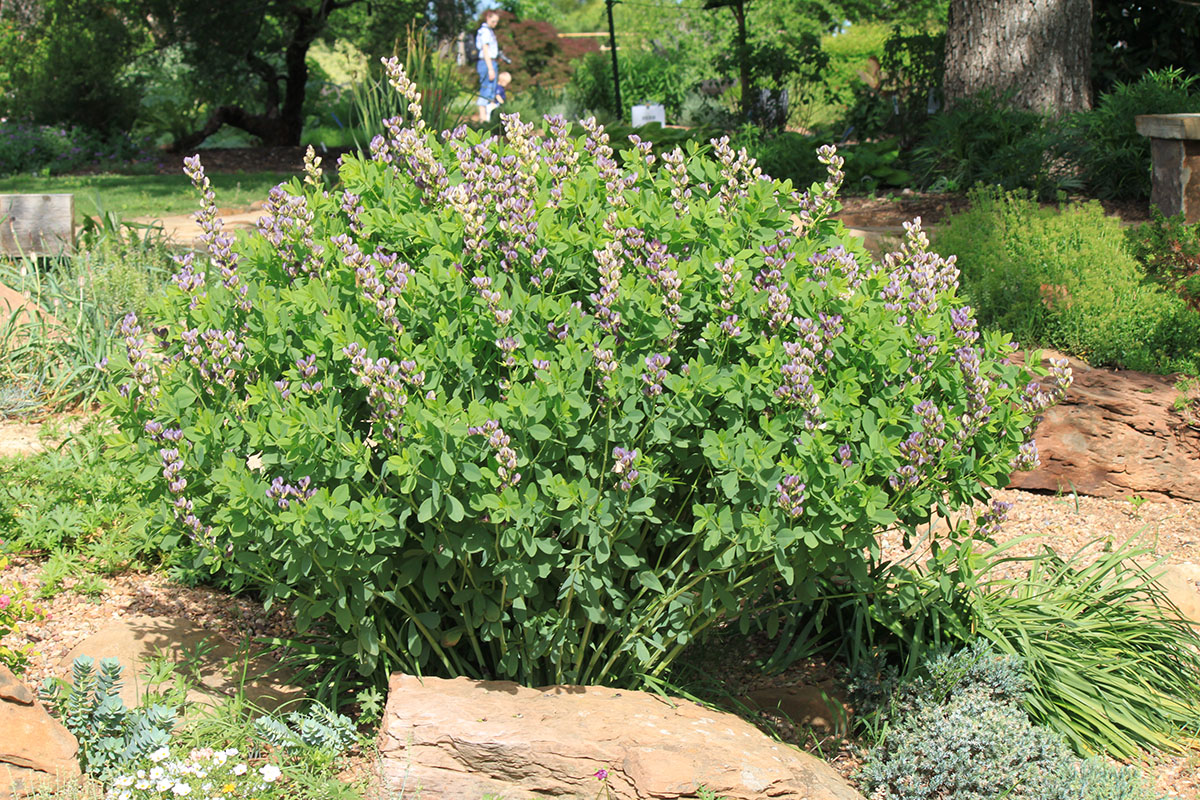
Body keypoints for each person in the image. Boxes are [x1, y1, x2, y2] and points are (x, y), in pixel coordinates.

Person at [475, 11, 501, 123]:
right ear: (487, 18)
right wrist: (490, 68)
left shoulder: (489, 31)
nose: (495, 23)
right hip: (487, 63)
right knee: (486, 89)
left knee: (490, 90)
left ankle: (487, 119)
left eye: (496, 22)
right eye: (493, 21)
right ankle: (483, 120)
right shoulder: (485, 32)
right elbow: (485, 50)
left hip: (490, 62)